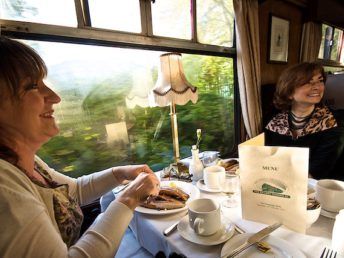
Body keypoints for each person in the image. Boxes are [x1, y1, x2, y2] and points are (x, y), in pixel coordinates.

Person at [0, 36, 160, 257]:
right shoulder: (5, 190)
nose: (55, 97)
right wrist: (128, 198)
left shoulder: (26, 162)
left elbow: (73, 191)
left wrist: (118, 173)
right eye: (33, 86)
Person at [265, 62, 344, 180]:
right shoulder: (273, 120)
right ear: (289, 91)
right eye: (308, 82)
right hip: (278, 181)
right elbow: (267, 158)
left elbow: (317, 171)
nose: (317, 87)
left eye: (320, 80)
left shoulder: (333, 122)